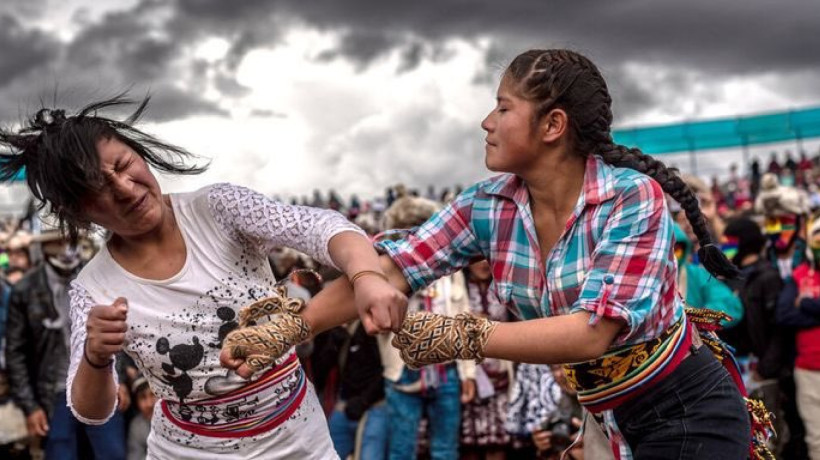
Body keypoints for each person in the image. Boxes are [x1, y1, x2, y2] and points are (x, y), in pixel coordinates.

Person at [226, 49, 760, 459]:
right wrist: (286, 331)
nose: (487, 121)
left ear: (553, 125)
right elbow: (389, 269)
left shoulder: (629, 197)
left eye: (504, 107)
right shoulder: (488, 205)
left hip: (684, 408)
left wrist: (465, 335)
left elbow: (595, 330)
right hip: (603, 414)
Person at [0, 95, 407, 459]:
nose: (124, 188)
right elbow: (91, 410)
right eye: (99, 189)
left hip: (301, 443)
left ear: (140, 152)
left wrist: (367, 274)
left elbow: (322, 228)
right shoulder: (94, 288)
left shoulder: (218, 209)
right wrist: (95, 355)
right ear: (79, 212)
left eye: (124, 165)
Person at [4, 222, 129, 459]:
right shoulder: (25, 289)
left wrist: (119, 379)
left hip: (98, 381)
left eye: (71, 240)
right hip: (54, 392)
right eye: (58, 241)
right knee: (61, 453)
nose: (67, 248)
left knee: (111, 452)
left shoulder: (95, 280)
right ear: (44, 247)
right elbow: (16, 353)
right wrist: (30, 407)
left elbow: (116, 331)